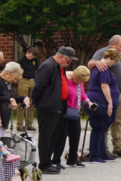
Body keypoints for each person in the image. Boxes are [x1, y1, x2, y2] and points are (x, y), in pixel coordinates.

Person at [31, 46, 77, 174]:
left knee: (55, 134)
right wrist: (35, 100)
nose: (69, 63)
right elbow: (39, 85)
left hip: (58, 105)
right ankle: (44, 164)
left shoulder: (58, 67)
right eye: (68, 60)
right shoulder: (48, 66)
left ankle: (50, 161)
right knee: (47, 135)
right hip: (48, 106)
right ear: (61, 56)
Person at [89, 35, 121, 158]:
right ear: (113, 44)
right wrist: (97, 62)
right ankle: (104, 148)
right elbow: (90, 64)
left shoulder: (119, 55)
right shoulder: (104, 53)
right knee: (106, 121)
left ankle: (118, 147)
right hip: (106, 95)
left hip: (118, 92)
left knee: (117, 120)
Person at [87, 48, 120, 163]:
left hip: (100, 101)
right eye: (114, 61)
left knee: (103, 127)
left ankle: (101, 152)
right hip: (100, 101)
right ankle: (95, 155)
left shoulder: (103, 68)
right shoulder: (104, 69)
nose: (114, 63)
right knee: (99, 127)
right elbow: (104, 86)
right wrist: (110, 102)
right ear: (109, 58)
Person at [57, 66, 92, 168]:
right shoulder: (65, 79)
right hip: (64, 111)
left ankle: (72, 159)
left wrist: (88, 102)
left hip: (74, 112)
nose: (80, 82)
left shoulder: (79, 82)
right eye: (80, 80)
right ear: (75, 76)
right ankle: (56, 160)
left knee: (75, 136)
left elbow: (82, 94)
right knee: (61, 137)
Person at [0, 62, 30, 140]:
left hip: (4, 119)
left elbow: (13, 97)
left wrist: (23, 98)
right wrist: (9, 100)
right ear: (9, 73)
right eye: (15, 78)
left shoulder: (7, 82)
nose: (15, 81)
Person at [15, 47, 41, 130]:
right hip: (23, 81)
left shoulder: (35, 60)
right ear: (27, 52)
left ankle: (29, 123)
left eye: (33, 56)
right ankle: (19, 124)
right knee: (22, 102)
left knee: (31, 102)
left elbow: (37, 70)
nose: (31, 57)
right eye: (30, 55)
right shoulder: (20, 60)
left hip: (32, 81)